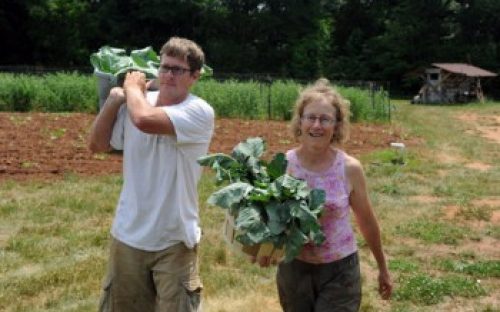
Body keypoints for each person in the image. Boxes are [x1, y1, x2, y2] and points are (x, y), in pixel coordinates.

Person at [88, 37, 214, 312]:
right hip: (128, 235)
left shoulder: (198, 111)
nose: (168, 74)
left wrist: (132, 88)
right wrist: (113, 100)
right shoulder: (137, 103)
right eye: (165, 67)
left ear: (195, 76)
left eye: (178, 70)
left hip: (174, 240)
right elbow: (97, 145)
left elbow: (145, 120)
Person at [260, 78, 392, 311]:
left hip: (340, 270)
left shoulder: (349, 168)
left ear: (336, 126)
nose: (317, 125)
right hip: (294, 269)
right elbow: (270, 217)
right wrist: (265, 249)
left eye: (325, 119)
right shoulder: (283, 164)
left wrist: (382, 267)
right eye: (311, 117)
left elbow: (366, 221)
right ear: (300, 122)